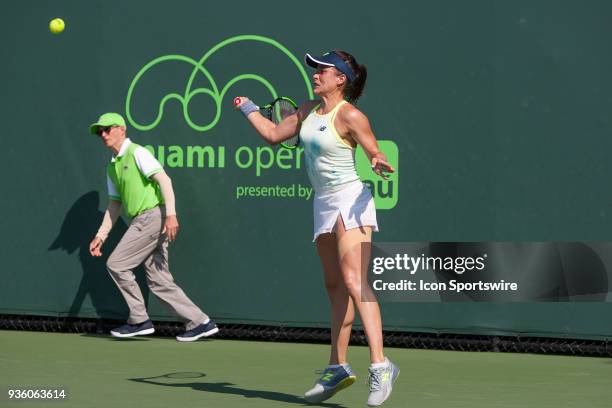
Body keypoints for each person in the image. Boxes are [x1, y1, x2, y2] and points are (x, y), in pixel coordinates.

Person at [234, 50, 398, 406]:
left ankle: (381, 366)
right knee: (334, 286)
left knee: (355, 281)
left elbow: (373, 150)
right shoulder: (308, 109)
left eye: (322, 70)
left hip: (350, 200)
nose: (315, 74)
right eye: (315, 70)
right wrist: (248, 108)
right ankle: (337, 367)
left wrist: (379, 160)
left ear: (341, 78)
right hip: (322, 202)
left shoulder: (351, 115)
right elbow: (274, 134)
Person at [87, 112, 218, 342]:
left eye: (108, 129)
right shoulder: (112, 167)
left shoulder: (137, 152)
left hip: (152, 218)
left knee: (116, 264)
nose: (103, 134)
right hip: (144, 220)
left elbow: (164, 180)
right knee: (159, 280)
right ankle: (201, 322)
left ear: (121, 129)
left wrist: (171, 215)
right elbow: (114, 204)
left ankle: (139, 319)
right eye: (100, 132)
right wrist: (101, 234)